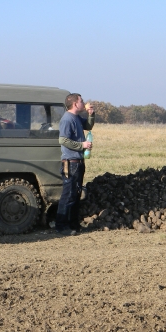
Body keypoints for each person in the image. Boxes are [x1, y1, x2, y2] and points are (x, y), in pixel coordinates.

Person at [55, 93, 95, 235]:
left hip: (78, 162)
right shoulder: (67, 119)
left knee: (75, 194)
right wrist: (81, 145)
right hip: (70, 163)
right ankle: (61, 226)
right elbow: (63, 140)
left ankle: (73, 225)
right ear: (75, 104)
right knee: (68, 195)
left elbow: (88, 126)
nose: (84, 102)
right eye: (81, 100)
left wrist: (91, 114)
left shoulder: (76, 117)